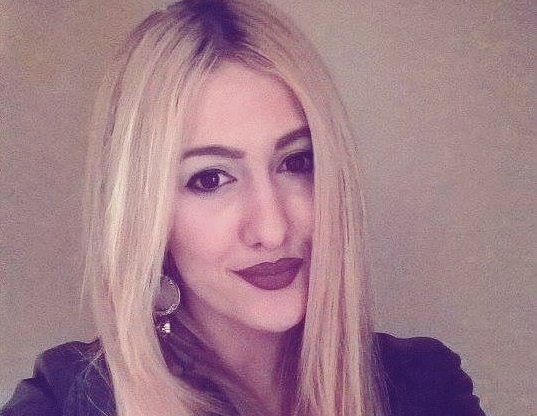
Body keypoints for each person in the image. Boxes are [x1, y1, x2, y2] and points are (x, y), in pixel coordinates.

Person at [1, 1, 487, 415]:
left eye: (296, 162)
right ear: (147, 214)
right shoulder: (69, 399)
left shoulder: (422, 386)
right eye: (210, 179)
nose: (272, 228)